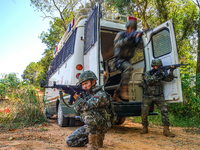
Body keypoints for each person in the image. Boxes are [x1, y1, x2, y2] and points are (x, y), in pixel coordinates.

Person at [66, 70, 115, 150]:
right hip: (91, 125)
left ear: (93, 82)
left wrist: (75, 96)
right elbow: (77, 109)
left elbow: (86, 106)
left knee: (87, 112)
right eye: (82, 84)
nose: (84, 86)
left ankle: (93, 146)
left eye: (86, 83)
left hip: (103, 124)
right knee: (70, 141)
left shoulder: (100, 94)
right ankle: (96, 139)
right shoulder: (86, 94)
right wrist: (78, 98)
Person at [140, 59, 176, 137]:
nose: (156, 67)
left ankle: (166, 130)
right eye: (155, 66)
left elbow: (169, 79)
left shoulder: (161, 74)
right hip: (147, 96)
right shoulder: (147, 73)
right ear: (152, 66)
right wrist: (156, 74)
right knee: (144, 112)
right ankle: (145, 127)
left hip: (158, 95)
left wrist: (171, 71)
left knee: (164, 111)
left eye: (158, 66)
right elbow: (149, 81)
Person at [113, 20, 143, 102]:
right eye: (131, 28)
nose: (132, 30)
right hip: (118, 60)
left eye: (134, 28)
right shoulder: (121, 34)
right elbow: (118, 44)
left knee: (124, 79)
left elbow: (141, 47)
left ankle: (115, 95)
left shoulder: (134, 36)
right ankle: (124, 91)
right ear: (127, 28)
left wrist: (138, 38)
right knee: (128, 67)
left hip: (127, 60)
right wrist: (129, 37)